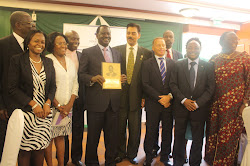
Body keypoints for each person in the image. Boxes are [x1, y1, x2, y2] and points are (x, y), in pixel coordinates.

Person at [8, 29, 56, 166]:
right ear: (28, 42)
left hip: (44, 114)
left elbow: (53, 86)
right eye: (36, 40)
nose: (39, 44)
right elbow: (12, 88)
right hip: (26, 113)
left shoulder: (48, 62)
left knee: (40, 149)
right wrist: (33, 105)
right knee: (25, 151)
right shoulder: (17, 60)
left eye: (42, 42)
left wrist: (47, 103)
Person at [79, 25, 126, 166]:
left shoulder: (117, 53)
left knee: (112, 138)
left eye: (109, 34)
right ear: (97, 35)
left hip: (113, 103)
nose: (106, 36)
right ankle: (92, 162)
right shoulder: (87, 52)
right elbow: (81, 75)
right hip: (96, 103)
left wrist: (122, 79)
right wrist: (93, 79)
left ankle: (110, 162)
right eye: (103, 33)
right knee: (93, 137)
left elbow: (121, 74)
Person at [205, 31, 250, 165]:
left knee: (230, 135)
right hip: (215, 104)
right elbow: (206, 81)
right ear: (221, 42)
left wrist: (245, 103)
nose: (234, 42)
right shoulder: (214, 59)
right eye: (231, 39)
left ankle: (227, 161)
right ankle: (212, 159)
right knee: (213, 132)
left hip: (235, 107)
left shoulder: (245, 58)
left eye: (236, 40)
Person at [170, 37, 215, 166]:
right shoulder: (178, 64)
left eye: (196, 47)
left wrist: (197, 103)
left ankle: (195, 162)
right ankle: (177, 162)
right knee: (178, 137)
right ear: (186, 49)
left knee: (198, 139)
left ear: (200, 49)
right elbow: (173, 85)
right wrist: (184, 100)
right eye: (190, 47)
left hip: (199, 109)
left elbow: (210, 88)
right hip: (181, 107)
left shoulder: (208, 66)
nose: (193, 50)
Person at [114, 23, 152, 165]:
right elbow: (111, 71)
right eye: (128, 33)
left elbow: (147, 78)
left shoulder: (147, 53)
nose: (130, 35)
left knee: (135, 129)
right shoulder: (116, 51)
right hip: (120, 97)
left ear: (139, 35)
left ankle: (132, 155)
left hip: (137, 98)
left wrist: (144, 97)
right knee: (119, 128)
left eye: (133, 33)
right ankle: (119, 153)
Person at [0, 11, 35, 161]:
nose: (33, 26)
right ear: (18, 25)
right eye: (30, 24)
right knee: (6, 143)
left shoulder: (32, 46)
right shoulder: (2, 45)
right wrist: (1, 105)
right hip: (8, 105)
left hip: (30, 104)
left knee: (27, 145)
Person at [45, 32, 78, 166]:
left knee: (61, 137)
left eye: (65, 43)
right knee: (49, 138)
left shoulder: (70, 62)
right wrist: (58, 106)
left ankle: (61, 164)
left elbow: (75, 84)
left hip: (67, 108)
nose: (64, 46)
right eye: (60, 43)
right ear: (52, 45)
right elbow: (46, 86)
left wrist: (70, 104)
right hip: (52, 107)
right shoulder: (47, 60)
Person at [142, 37, 174, 166]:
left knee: (167, 131)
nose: (161, 47)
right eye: (158, 45)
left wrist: (169, 97)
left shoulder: (172, 63)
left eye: (163, 45)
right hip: (153, 104)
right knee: (151, 131)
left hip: (169, 104)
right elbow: (145, 84)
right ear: (153, 47)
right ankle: (149, 156)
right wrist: (160, 98)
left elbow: (175, 83)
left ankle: (165, 156)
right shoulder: (146, 63)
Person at [153, 30, 183, 158]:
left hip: (173, 100)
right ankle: (154, 149)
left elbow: (180, 79)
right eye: (166, 36)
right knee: (153, 128)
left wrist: (171, 96)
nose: (168, 39)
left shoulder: (179, 55)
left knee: (168, 128)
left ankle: (166, 152)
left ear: (174, 39)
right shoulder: (153, 55)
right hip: (155, 100)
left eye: (171, 36)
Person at [64, 30, 84, 166]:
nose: (76, 41)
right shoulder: (57, 56)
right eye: (73, 39)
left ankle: (76, 158)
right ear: (65, 40)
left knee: (78, 130)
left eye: (77, 39)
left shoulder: (83, 56)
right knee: (62, 130)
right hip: (63, 101)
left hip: (79, 100)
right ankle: (63, 158)